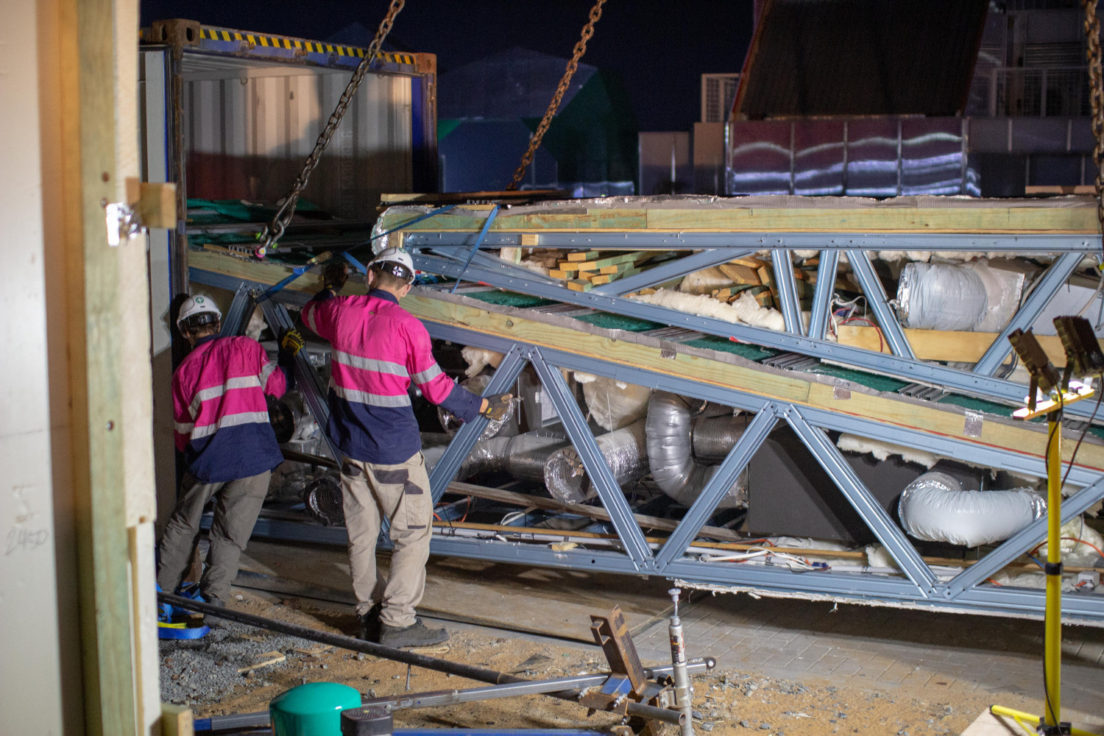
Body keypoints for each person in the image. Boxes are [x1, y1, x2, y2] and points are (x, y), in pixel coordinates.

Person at [300, 248, 511, 648]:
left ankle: (366, 615)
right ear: (408, 286)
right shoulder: (407, 327)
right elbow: (435, 388)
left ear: (370, 276)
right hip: (393, 451)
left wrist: (328, 287)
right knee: (412, 534)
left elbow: (309, 313)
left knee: (361, 535)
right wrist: (481, 405)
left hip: (349, 447)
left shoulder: (341, 311)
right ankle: (397, 622)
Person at [157, 294, 303, 607]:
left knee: (183, 525)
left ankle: (161, 597)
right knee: (229, 536)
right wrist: (289, 355)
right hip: (255, 459)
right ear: (219, 323)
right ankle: (215, 604)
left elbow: (183, 436)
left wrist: (193, 467)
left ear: (185, 332)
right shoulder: (246, 348)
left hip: (208, 460)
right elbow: (278, 387)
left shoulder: (182, 373)